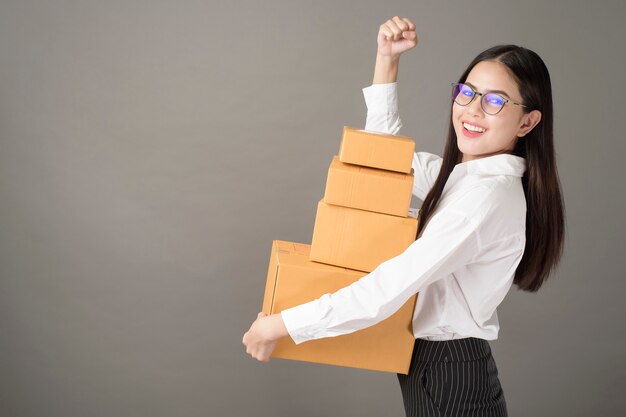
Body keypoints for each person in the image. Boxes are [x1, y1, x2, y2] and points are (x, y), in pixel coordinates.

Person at [242, 15, 565, 417]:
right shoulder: (464, 179)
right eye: (467, 92)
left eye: (495, 100)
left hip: (450, 376)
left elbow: (388, 286)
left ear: (528, 121)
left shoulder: (485, 197)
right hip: (442, 370)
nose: (472, 109)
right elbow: (385, 159)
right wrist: (387, 61)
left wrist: (281, 325)